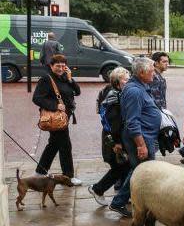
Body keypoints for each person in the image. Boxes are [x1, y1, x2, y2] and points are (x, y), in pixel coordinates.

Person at [109, 57, 161, 217]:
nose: (155, 73)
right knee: (141, 172)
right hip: (140, 138)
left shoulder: (139, 87)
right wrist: (141, 145)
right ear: (141, 72)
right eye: (152, 71)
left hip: (146, 136)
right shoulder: (134, 91)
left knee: (141, 170)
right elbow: (132, 122)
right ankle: (118, 202)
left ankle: (141, 202)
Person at [32, 54, 81, 185]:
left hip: (64, 117)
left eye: (62, 66)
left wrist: (70, 79)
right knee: (65, 145)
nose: (60, 68)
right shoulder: (46, 79)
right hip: (55, 118)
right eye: (57, 66)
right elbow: (37, 98)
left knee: (53, 145)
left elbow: (77, 92)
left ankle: (40, 172)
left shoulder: (65, 77)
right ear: (51, 66)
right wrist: (55, 105)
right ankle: (68, 177)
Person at [88, 67, 131, 206]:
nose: (128, 81)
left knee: (123, 167)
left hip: (113, 137)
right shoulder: (114, 96)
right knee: (119, 168)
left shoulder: (116, 93)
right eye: (126, 79)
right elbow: (114, 122)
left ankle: (125, 196)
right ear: (118, 81)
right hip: (112, 139)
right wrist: (117, 142)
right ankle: (98, 189)